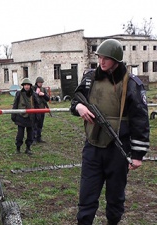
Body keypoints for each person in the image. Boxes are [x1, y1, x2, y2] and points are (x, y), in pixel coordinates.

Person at [70, 39, 149, 225]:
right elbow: (74, 100)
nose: (102, 62)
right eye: (100, 58)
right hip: (92, 147)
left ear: (117, 59)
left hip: (118, 148)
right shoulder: (89, 78)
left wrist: (138, 155)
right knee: (87, 196)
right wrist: (79, 107)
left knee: (115, 198)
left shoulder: (131, 83)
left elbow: (140, 120)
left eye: (106, 58)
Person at [11, 78, 39, 155]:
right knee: (20, 134)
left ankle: (28, 148)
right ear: (23, 86)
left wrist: (37, 116)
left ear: (30, 86)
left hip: (31, 117)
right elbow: (15, 104)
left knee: (30, 134)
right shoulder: (19, 94)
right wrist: (13, 115)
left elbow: (36, 105)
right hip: (21, 117)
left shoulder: (33, 94)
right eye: (25, 85)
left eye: (28, 85)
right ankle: (18, 148)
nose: (26, 86)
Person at [32, 76, 50, 143]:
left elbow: (48, 98)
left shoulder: (43, 89)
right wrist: (36, 93)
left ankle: (39, 138)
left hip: (42, 109)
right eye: (39, 82)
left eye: (41, 83)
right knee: (35, 125)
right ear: (37, 82)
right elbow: (31, 97)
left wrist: (43, 94)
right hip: (35, 109)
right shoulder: (33, 88)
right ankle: (33, 138)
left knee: (40, 124)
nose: (40, 84)